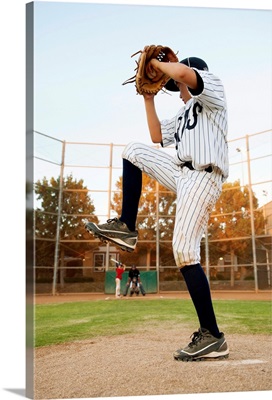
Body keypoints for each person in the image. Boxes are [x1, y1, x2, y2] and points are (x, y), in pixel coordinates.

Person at [86, 55, 229, 361]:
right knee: (133, 151)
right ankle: (126, 227)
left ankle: (212, 335)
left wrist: (159, 67)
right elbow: (155, 136)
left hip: (204, 176)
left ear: (193, 73)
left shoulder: (213, 88)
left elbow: (183, 73)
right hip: (182, 171)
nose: (178, 88)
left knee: (184, 251)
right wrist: (148, 99)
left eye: (178, 83)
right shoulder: (184, 112)